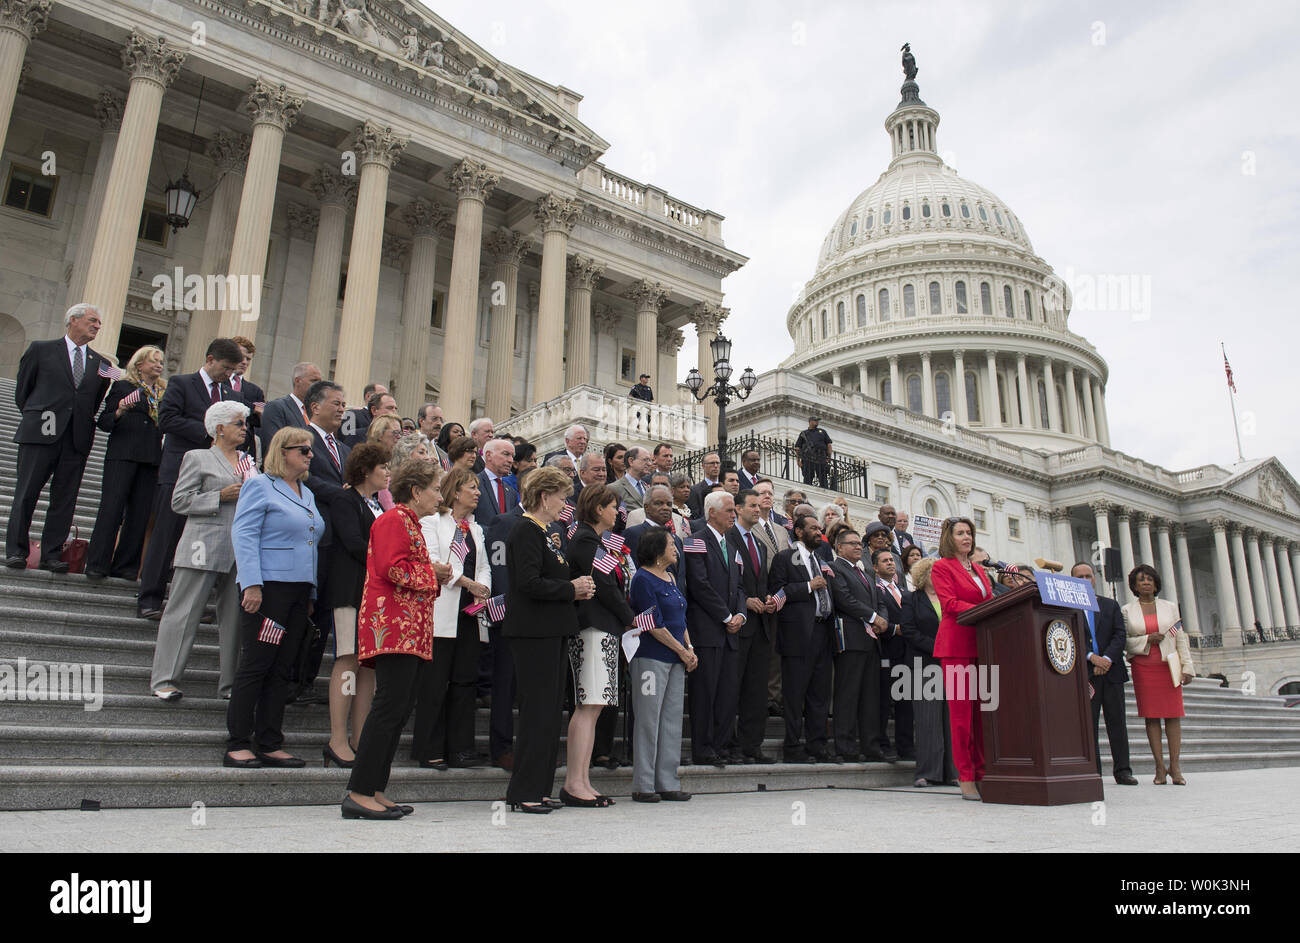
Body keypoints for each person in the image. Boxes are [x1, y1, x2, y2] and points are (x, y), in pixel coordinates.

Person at [345, 461, 447, 819]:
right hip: (392, 628)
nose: (440, 495)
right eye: (435, 488)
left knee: (399, 709)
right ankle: (359, 792)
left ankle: (374, 787)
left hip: (410, 630)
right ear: (416, 491)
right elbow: (392, 567)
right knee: (388, 708)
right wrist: (431, 575)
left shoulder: (411, 523)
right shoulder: (393, 519)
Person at [225, 426, 320, 769]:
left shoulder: (305, 492)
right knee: (257, 663)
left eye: (310, 450)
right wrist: (251, 584)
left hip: (298, 591)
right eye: (303, 450)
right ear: (283, 452)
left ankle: (269, 739)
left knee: (282, 668)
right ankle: (238, 739)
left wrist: (311, 589)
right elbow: (244, 533)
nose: (310, 456)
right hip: (270, 589)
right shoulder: (260, 485)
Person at [503, 467, 594, 812]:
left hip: (552, 630)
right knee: (536, 713)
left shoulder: (547, 532)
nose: (565, 504)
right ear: (544, 496)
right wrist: (570, 588)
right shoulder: (525, 530)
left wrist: (574, 587)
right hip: (532, 632)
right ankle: (524, 792)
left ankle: (539, 788)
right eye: (561, 496)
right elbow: (527, 582)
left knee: (548, 714)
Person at [136, 338, 245, 619]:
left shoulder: (229, 396)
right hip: (180, 472)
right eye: (225, 367)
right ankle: (149, 598)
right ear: (210, 359)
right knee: (166, 537)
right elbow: (167, 420)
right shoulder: (181, 383)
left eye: (233, 370)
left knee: (200, 541)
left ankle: (187, 604)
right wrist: (212, 433)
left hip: (216, 479)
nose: (228, 374)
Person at [149, 401, 250, 701]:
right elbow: (179, 501)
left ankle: (230, 685)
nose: (245, 428)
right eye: (239, 423)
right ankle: (165, 679)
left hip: (239, 548)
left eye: (245, 423)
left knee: (234, 620)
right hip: (201, 544)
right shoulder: (197, 457)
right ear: (220, 428)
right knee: (184, 612)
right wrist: (218, 496)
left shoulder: (248, 461)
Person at [6, 303, 114, 572]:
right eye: (92, 320)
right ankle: (16, 551)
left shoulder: (103, 364)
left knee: (65, 500)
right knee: (26, 494)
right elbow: (24, 392)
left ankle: (52, 554)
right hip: (41, 433)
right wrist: (41, 418)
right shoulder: (41, 349)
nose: (97, 326)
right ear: (73, 320)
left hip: (76, 440)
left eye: (99, 323)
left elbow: (97, 398)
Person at [411, 467, 491, 769]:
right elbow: (432, 561)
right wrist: (467, 583)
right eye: (472, 487)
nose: (478, 492)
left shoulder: (477, 529)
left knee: (465, 681)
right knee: (435, 682)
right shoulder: (433, 522)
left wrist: (482, 587)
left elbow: (483, 565)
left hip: (470, 613)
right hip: (441, 609)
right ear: (455, 490)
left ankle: (461, 748)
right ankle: (430, 748)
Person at [563, 484, 636, 805]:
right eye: (611, 506)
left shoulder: (594, 540)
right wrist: (630, 616)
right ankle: (573, 783)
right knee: (588, 704)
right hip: (592, 627)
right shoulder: (584, 539)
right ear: (596, 509)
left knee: (594, 706)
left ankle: (582, 779)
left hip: (604, 628)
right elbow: (605, 584)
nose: (616, 512)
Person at [320, 443, 391, 768]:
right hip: (350, 590)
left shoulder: (378, 505)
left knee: (368, 666)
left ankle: (361, 738)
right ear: (366, 470)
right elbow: (353, 542)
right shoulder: (345, 499)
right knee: (347, 658)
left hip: (375, 594)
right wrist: (389, 563)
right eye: (383, 467)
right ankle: (337, 738)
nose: (388, 472)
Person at [85, 344, 165, 581]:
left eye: (161, 361)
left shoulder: (162, 393)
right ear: (139, 364)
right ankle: (97, 563)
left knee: (140, 514)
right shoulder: (122, 386)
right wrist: (120, 410)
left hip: (150, 458)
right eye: (154, 361)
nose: (159, 365)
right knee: (111, 510)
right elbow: (105, 421)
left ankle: (126, 567)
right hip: (122, 455)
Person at [627, 527, 696, 802]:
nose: (676, 548)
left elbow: (680, 617)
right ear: (657, 550)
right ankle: (643, 784)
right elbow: (653, 624)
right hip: (651, 658)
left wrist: (689, 648)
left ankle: (667, 781)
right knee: (648, 720)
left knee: (670, 721)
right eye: (670, 544)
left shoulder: (671, 577)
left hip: (677, 659)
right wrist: (682, 650)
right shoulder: (643, 579)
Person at [931, 516, 993, 800]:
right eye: (960, 533)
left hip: (983, 646)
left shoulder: (980, 569)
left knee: (982, 715)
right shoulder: (942, 567)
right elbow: (950, 604)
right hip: (956, 645)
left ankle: (983, 771)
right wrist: (986, 609)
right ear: (949, 538)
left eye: (969, 532)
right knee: (961, 717)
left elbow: (991, 599)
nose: (967, 537)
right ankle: (965, 775)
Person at [683, 490, 745, 766]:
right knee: (705, 693)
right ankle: (703, 747)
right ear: (712, 513)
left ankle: (721, 745)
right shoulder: (696, 542)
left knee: (727, 692)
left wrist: (741, 615)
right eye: (730, 510)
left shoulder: (731, 547)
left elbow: (740, 587)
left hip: (730, 633)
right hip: (708, 631)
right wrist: (725, 616)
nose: (734, 515)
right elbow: (699, 584)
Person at [769, 514, 834, 762]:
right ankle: (793, 747)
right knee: (795, 695)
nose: (819, 532)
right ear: (798, 532)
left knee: (819, 695)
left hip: (822, 632)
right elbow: (777, 591)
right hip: (797, 635)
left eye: (820, 528)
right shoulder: (784, 558)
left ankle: (817, 746)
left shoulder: (821, 560)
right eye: (813, 528)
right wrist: (808, 586)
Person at [1122, 564, 1193, 786]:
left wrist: (1187, 666)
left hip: (1168, 664)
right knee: (1152, 717)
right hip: (1144, 665)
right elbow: (1124, 641)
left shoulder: (1169, 607)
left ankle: (1176, 766)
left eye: (1150, 579)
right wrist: (1146, 640)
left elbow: (1179, 636)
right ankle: (1160, 768)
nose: (1146, 583)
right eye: (1141, 580)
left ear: (1156, 583)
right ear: (1134, 585)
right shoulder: (1126, 610)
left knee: (1173, 716)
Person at [1072, 562, 1137, 786]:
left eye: (1088, 575)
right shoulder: (1068, 608)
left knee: (1117, 722)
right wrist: (1091, 657)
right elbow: (1069, 637)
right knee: (1089, 724)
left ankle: (1123, 770)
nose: (1084, 580)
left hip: (1111, 672)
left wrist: (1106, 659)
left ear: (1094, 578)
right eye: (1079, 576)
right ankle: (1094, 771)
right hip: (1085, 673)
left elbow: (1120, 635)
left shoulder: (1110, 605)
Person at [826, 527, 888, 762]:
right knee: (848, 695)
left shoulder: (867, 572)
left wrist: (882, 619)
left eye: (859, 544)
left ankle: (871, 746)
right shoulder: (835, 569)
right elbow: (844, 599)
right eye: (851, 543)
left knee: (870, 696)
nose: (857, 547)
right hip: (850, 638)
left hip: (872, 640)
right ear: (839, 547)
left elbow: (879, 600)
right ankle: (845, 746)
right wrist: (873, 617)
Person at [726, 489, 778, 763]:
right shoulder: (729, 538)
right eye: (753, 506)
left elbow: (762, 581)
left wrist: (768, 598)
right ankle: (731, 745)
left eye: (760, 506)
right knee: (733, 687)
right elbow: (729, 580)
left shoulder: (758, 543)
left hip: (761, 626)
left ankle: (752, 745)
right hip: (739, 624)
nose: (758, 510)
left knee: (757, 690)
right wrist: (745, 602)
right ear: (737, 508)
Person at [900, 557, 958, 787]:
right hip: (924, 664)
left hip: (952, 663)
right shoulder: (910, 599)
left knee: (952, 721)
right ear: (924, 576)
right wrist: (938, 647)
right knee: (927, 721)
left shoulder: (950, 600)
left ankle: (953, 772)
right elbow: (909, 630)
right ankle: (928, 772)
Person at [872, 546, 914, 761]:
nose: (890, 563)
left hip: (907, 653)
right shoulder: (875, 589)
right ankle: (882, 743)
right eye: (885, 560)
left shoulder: (904, 591)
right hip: (886, 650)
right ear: (875, 567)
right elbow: (878, 618)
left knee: (905, 701)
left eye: (892, 559)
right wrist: (893, 629)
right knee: (884, 701)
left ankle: (906, 746)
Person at [258, 362, 320, 455]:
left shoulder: (316, 413)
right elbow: (274, 446)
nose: (319, 386)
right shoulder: (276, 407)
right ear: (298, 381)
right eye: (314, 381)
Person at [227, 336, 265, 459]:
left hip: (243, 452)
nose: (245, 362)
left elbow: (258, 421)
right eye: (241, 357)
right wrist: (252, 407)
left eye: (248, 359)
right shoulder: (217, 383)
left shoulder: (256, 391)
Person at [476, 437, 519, 524]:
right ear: (488, 455)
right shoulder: (475, 484)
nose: (511, 460)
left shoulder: (511, 492)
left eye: (512, 456)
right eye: (506, 454)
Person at [340, 382, 389, 448]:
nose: (387, 399)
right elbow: (344, 443)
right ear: (368, 396)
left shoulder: (389, 422)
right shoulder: (351, 415)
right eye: (382, 395)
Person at [610, 445, 652, 510]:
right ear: (631, 461)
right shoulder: (614, 488)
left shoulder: (647, 488)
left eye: (650, 460)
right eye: (645, 460)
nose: (649, 464)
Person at [794, 417, 832, 489]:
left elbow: (829, 445)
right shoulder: (804, 433)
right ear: (810, 422)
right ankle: (807, 489)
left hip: (821, 456)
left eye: (817, 421)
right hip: (808, 457)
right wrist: (798, 460)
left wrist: (829, 457)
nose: (817, 422)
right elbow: (797, 448)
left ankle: (825, 489)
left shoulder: (822, 432)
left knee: (822, 476)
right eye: (815, 421)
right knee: (808, 476)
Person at [686, 452, 721, 518]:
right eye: (712, 463)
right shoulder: (694, 490)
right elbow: (695, 515)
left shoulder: (725, 487)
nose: (716, 466)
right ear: (703, 466)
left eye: (717, 463)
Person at [417, 403, 450, 468]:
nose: (439, 423)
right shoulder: (408, 445)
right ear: (421, 421)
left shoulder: (444, 455)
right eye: (434, 419)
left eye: (441, 419)